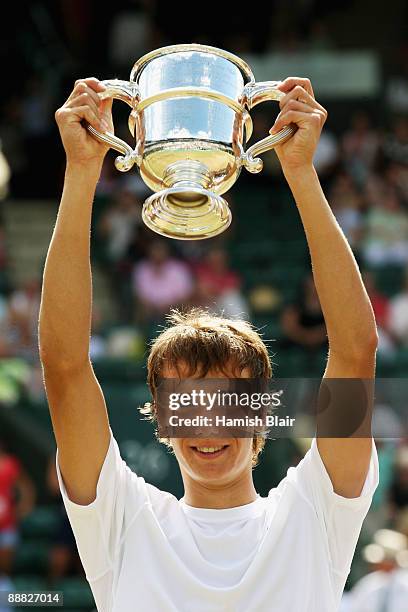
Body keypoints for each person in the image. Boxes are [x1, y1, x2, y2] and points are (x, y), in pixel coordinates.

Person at [39, 76, 379, 611]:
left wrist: (301, 172)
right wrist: (81, 171)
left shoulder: (317, 507)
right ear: (160, 416)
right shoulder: (122, 520)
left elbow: (355, 352)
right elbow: (64, 366)